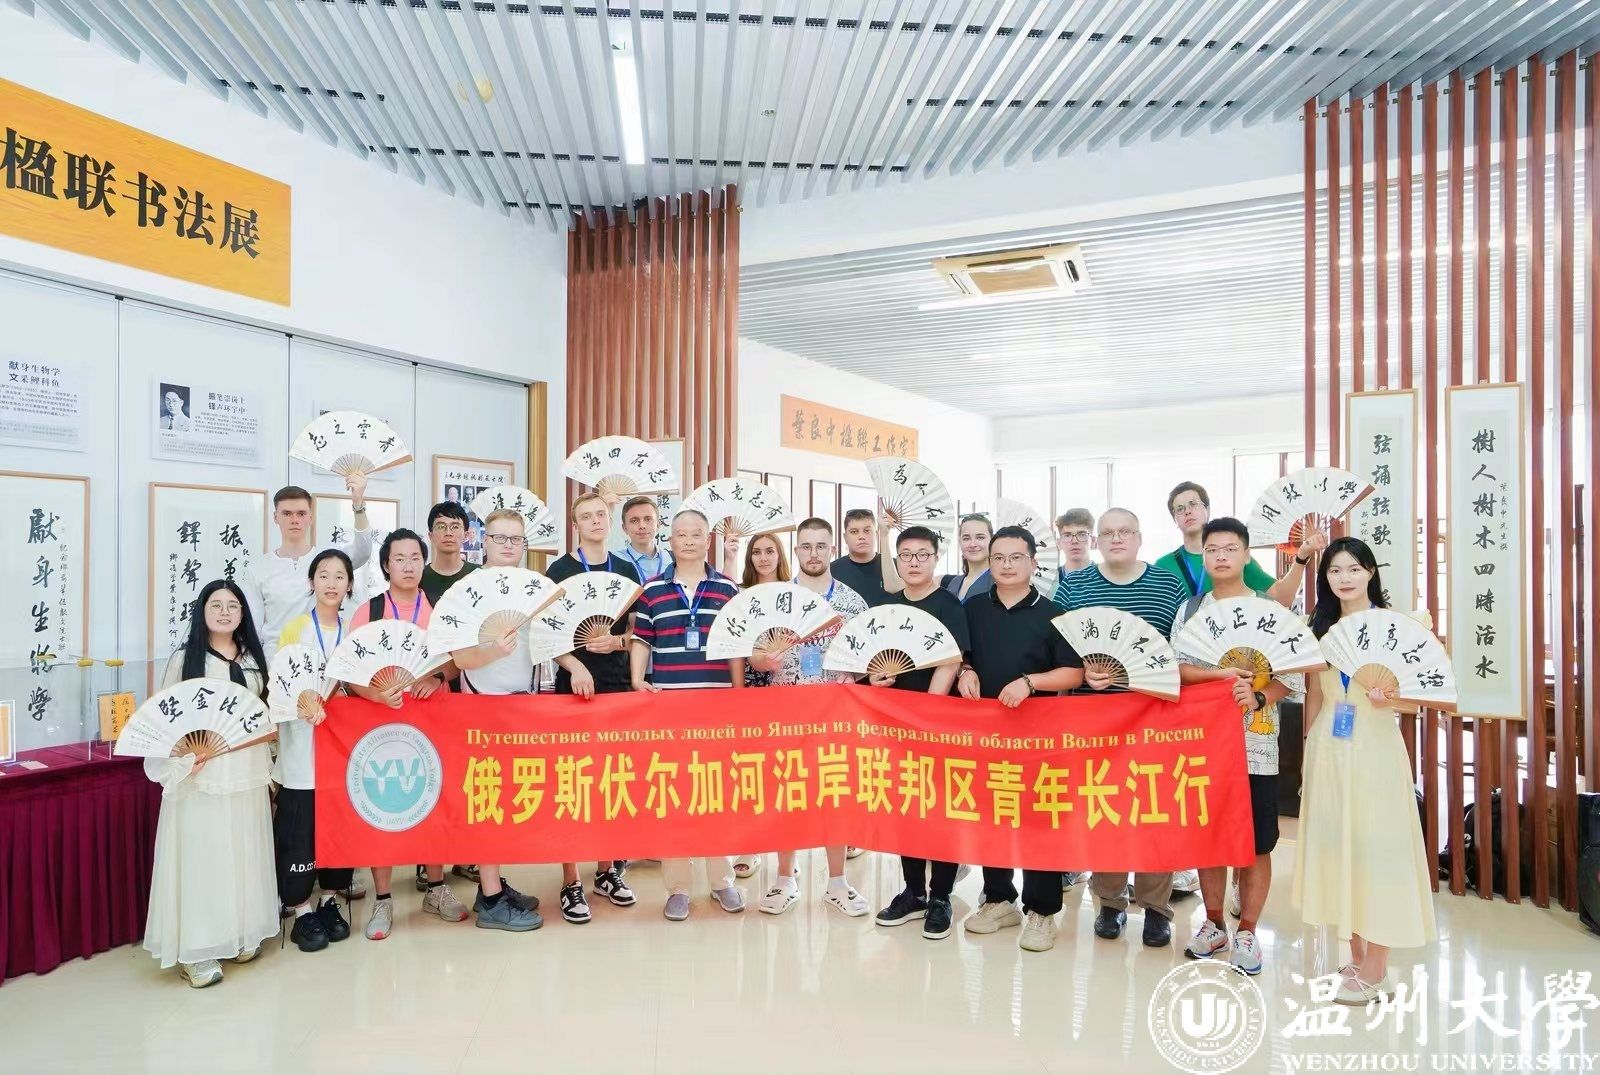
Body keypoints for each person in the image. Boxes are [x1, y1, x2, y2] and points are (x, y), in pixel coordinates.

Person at [1295, 536, 1435, 1005]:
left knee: (1378, 852)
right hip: (1329, 749)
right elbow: (1316, 696)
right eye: (1335, 570)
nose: (1345, 578)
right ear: (1325, 578)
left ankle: (1377, 968)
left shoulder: (1399, 626)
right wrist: (1308, 750)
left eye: (1354, 569)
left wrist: (1389, 697)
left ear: (1371, 572)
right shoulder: (1319, 627)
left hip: (1375, 750)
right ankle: (1355, 957)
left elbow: (1421, 700)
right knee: (1342, 850)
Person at [1060, 507, 1190, 949]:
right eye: (1108, 533)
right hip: (1093, 719)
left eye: (1126, 531)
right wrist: (1082, 671)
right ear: (1096, 541)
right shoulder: (1075, 585)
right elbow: (1060, 646)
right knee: (1106, 811)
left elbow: (1180, 653)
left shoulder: (1168, 585)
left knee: (1155, 812)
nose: (1117, 539)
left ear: (1139, 538)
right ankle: (1110, 902)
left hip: (1153, 718)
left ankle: (1156, 909)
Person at [1174, 518, 1295, 976]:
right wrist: (1220, 676)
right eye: (1212, 549)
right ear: (1203, 556)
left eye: (1230, 548)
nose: (1221, 556)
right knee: (1209, 836)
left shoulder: (1270, 610)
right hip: (1203, 745)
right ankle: (1213, 923)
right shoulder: (1191, 610)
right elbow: (1175, 669)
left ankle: (1248, 929)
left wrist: (1260, 697)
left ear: (1246, 554)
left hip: (1257, 744)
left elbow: (1293, 677)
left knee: (1258, 842)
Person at [143, 579, 277, 987]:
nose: (224, 612)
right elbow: (164, 718)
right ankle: (197, 950)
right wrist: (184, 753)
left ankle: (239, 933)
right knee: (205, 855)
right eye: (215, 605)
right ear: (202, 612)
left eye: (232, 605)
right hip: (202, 773)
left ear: (243, 614)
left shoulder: (253, 657)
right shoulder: (185, 659)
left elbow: (265, 714)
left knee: (242, 849)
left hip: (246, 770)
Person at [956, 526, 1084, 953]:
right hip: (985, 737)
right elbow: (959, 655)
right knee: (992, 815)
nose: (1006, 565)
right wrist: (965, 671)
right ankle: (999, 898)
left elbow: (1074, 673)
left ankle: (1042, 910)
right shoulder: (973, 608)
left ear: (1033, 562)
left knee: (1038, 820)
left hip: (1038, 739)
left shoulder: (1053, 613)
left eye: (1016, 557)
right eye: (998, 558)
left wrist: (1031, 682)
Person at [444, 508, 566, 932]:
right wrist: (493, 651)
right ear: (485, 541)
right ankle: (493, 899)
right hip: (483, 708)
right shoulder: (467, 590)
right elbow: (460, 659)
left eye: (516, 539)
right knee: (489, 799)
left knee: (509, 799)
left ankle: (490, 888)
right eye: (500, 538)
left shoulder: (533, 588)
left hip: (522, 706)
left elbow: (548, 641)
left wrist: (575, 665)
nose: (508, 545)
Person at [341, 529, 464, 940]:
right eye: (400, 559)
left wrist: (437, 676)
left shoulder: (441, 609)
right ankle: (383, 899)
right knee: (385, 803)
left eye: (415, 558)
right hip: (383, 724)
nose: (408, 566)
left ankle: (436, 887)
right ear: (386, 565)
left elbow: (458, 661)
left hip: (433, 718)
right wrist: (375, 693)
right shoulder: (370, 611)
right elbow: (348, 670)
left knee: (434, 800)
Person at [749, 518, 870, 917]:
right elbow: (754, 656)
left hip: (835, 713)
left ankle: (837, 882)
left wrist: (862, 675)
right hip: (786, 711)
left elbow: (867, 658)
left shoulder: (852, 602)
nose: (813, 553)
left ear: (832, 549)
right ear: (796, 550)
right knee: (787, 792)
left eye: (821, 546)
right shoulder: (775, 599)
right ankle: (785, 878)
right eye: (806, 546)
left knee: (835, 793)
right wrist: (765, 660)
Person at [630, 509, 746, 921]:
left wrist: (738, 693)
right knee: (674, 795)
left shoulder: (727, 588)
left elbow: (736, 645)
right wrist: (637, 680)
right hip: (670, 708)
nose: (690, 540)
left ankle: (722, 881)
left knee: (718, 794)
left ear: (708, 539)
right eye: (681, 534)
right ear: (671, 540)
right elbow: (642, 639)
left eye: (697, 534)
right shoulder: (652, 590)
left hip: (717, 708)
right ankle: (678, 887)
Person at [545, 492, 642, 923]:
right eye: (586, 516)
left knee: (612, 780)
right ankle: (571, 880)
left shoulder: (626, 569)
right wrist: (575, 664)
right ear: (576, 525)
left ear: (609, 520)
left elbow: (639, 632)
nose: (595, 521)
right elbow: (546, 635)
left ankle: (606, 869)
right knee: (573, 781)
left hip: (617, 685)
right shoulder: (560, 571)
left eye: (601, 514)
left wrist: (617, 642)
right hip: (574, 687)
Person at [871, 526, 972, 940]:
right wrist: (876, 678)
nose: (914, 562)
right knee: (906, 805)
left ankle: (941, 895)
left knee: (940, 808)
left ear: (936, 558)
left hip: (937, 721)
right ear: (897, 561)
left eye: (923, 555)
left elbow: (951, 658)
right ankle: (913, 891)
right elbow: (874, 659)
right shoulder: (887, 607)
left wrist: (928, 710)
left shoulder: (949, 605)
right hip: (895, 721)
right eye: (907, 555)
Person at [273, 550, 359, 954]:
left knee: (339, 822)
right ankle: (300, 908)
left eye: (339, 576)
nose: (331, 583)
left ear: (349, 585)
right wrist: (304, 701)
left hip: (344, 746)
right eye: (323, 575)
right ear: (311, 582)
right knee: (300, 826)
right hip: (302, 745)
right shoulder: (296, 628)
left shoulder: (354, 630)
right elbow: (282, 684)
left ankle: (329, 899)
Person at [241, 481, 374, 665]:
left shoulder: (327, 561)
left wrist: (358, 505)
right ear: (275, 517)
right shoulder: (258, 569)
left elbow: (363, 550)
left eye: (301, 513)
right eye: (287, 513)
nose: (294, 520)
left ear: (311, 517)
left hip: (324, 659)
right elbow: (251, 627)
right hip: (275, 662)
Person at [1152, 481, 1326, 607]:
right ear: (1174, 519)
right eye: (1180, 509)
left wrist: (1301, 556)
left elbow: (1282, 598)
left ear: (1207, 510)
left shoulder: (1236, 558)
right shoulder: (1162, 566)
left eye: (1193, 504)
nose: (1187, 511)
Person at [732, 532, 792, 880]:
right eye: (757, 552)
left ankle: (787, 847)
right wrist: (739, 691)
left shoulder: (794, 594)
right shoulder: (739, 595)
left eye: (770, 551)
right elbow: (732, 646)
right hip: (751, 688)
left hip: (787, 689)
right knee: (752, 769)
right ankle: (750, 845)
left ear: (780, 555)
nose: (764, 557)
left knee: (783, 769)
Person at [880, 512, 991, 601]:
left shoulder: (997, 581)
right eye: (966, 538)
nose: (972, 544)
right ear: (960, 542)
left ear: (992, 540)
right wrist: (884, 536)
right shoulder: (950, 582)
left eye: (980, 537)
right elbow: (893, 586)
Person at [830, 507, 888, 605]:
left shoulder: (893, 567)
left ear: (876, 534)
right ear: (845, 537)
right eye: (854, 532)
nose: (861, 537)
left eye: (867, 531)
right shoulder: (832, 571)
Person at [617, 495, 668, 583]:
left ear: (658, 524)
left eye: (648, 519)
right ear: (625, 528)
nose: (642, 526)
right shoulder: (615, 560)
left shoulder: (673, 559)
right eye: (634, 520)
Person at [1054, 508, 1096, 581]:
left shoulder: (1108, 577)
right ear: (1059, 543)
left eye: (1082, 534)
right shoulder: (1050, 580)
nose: (1074, 541)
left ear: (1093, 541)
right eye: (1067, 535)